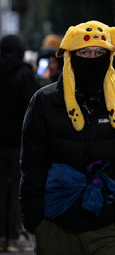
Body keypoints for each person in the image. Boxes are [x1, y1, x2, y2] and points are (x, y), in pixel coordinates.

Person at [19, 20, 115, 255]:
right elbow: (32, 165)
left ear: (110, 56)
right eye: (84, 52)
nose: (92, 58)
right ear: (70, 55)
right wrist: (36, 222)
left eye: (100, 52)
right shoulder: (44, 101)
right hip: (57, 225)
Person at [0, 34, 39, 252]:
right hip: (18, 143)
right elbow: (33, 107)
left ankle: (0, 235)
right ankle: (14, 237)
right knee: (16, 188)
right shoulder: (24, 73)